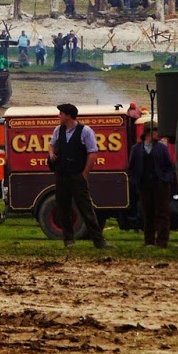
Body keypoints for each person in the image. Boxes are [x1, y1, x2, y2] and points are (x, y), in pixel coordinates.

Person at [49, 103, 111, 249]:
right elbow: (51, 144)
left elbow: (92, 153)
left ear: (68, 116)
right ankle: (68, 240)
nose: (58, 116)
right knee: (63, 208)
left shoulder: (85, 131)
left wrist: (84, 174)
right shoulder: (58, 130)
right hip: (62, 176)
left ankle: (99, 241)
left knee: (86, 209)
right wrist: (51, 154)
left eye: (61, 113)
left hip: (77, 176)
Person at [128, 121, 174, 247]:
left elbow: (170, 166)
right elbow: (131, 168)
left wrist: (166, 179)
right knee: (147, 213)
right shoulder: (136, 149)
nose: (159, 133)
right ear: (149, 132)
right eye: (156, 130)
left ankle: (162, 241)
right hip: (144, 186)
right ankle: (149, 241)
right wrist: (134, 181)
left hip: (161, 185)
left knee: (162, 213)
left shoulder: (162, 148)